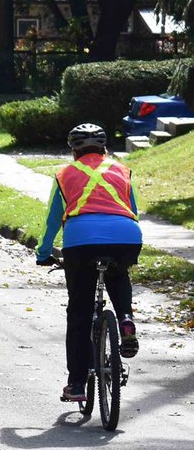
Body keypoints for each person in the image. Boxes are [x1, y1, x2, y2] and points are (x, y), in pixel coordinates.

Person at [36, 123, 142, 404]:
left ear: (74, 150)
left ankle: (77, 384)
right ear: (104, 148)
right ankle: (126, 321)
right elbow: (133, 210)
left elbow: (52, 221)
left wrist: (43, 252)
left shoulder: (64, 174)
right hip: (126, 236)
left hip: (80, 242)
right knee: (119, 275)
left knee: (80, 312)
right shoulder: (122, 170)